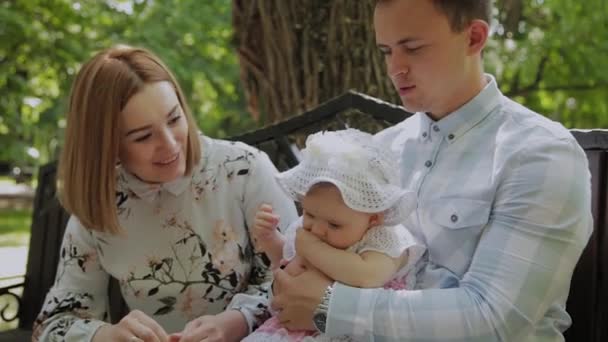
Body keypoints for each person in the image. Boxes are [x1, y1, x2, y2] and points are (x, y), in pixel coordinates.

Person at [270, 0, 593, 341]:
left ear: (474, 38)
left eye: (413, 48)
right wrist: (246, 314)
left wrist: (330, 307)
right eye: (386, 51)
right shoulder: (377, 152)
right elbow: (295, 265)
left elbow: (495, 319)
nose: (395, 68)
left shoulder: (539, 154)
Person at [32, 45, 298, 342]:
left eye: (174, 119)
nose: (170, 145)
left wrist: (237, 321)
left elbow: (303, 279)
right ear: (107, 144)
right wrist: (107, 336)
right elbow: (52, 325)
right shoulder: (101, 202)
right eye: (143, 136)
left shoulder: (243, 170)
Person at [238, 129, 425, 342]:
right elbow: (287, 258)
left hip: (349, 328)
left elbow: (367, 276)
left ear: (374, 218)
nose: (316, 229)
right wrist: (270, 238)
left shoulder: (382, 238)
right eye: (309, 214)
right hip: (292, 324)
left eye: (334, 225)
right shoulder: (311, 227)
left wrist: (312, 248)